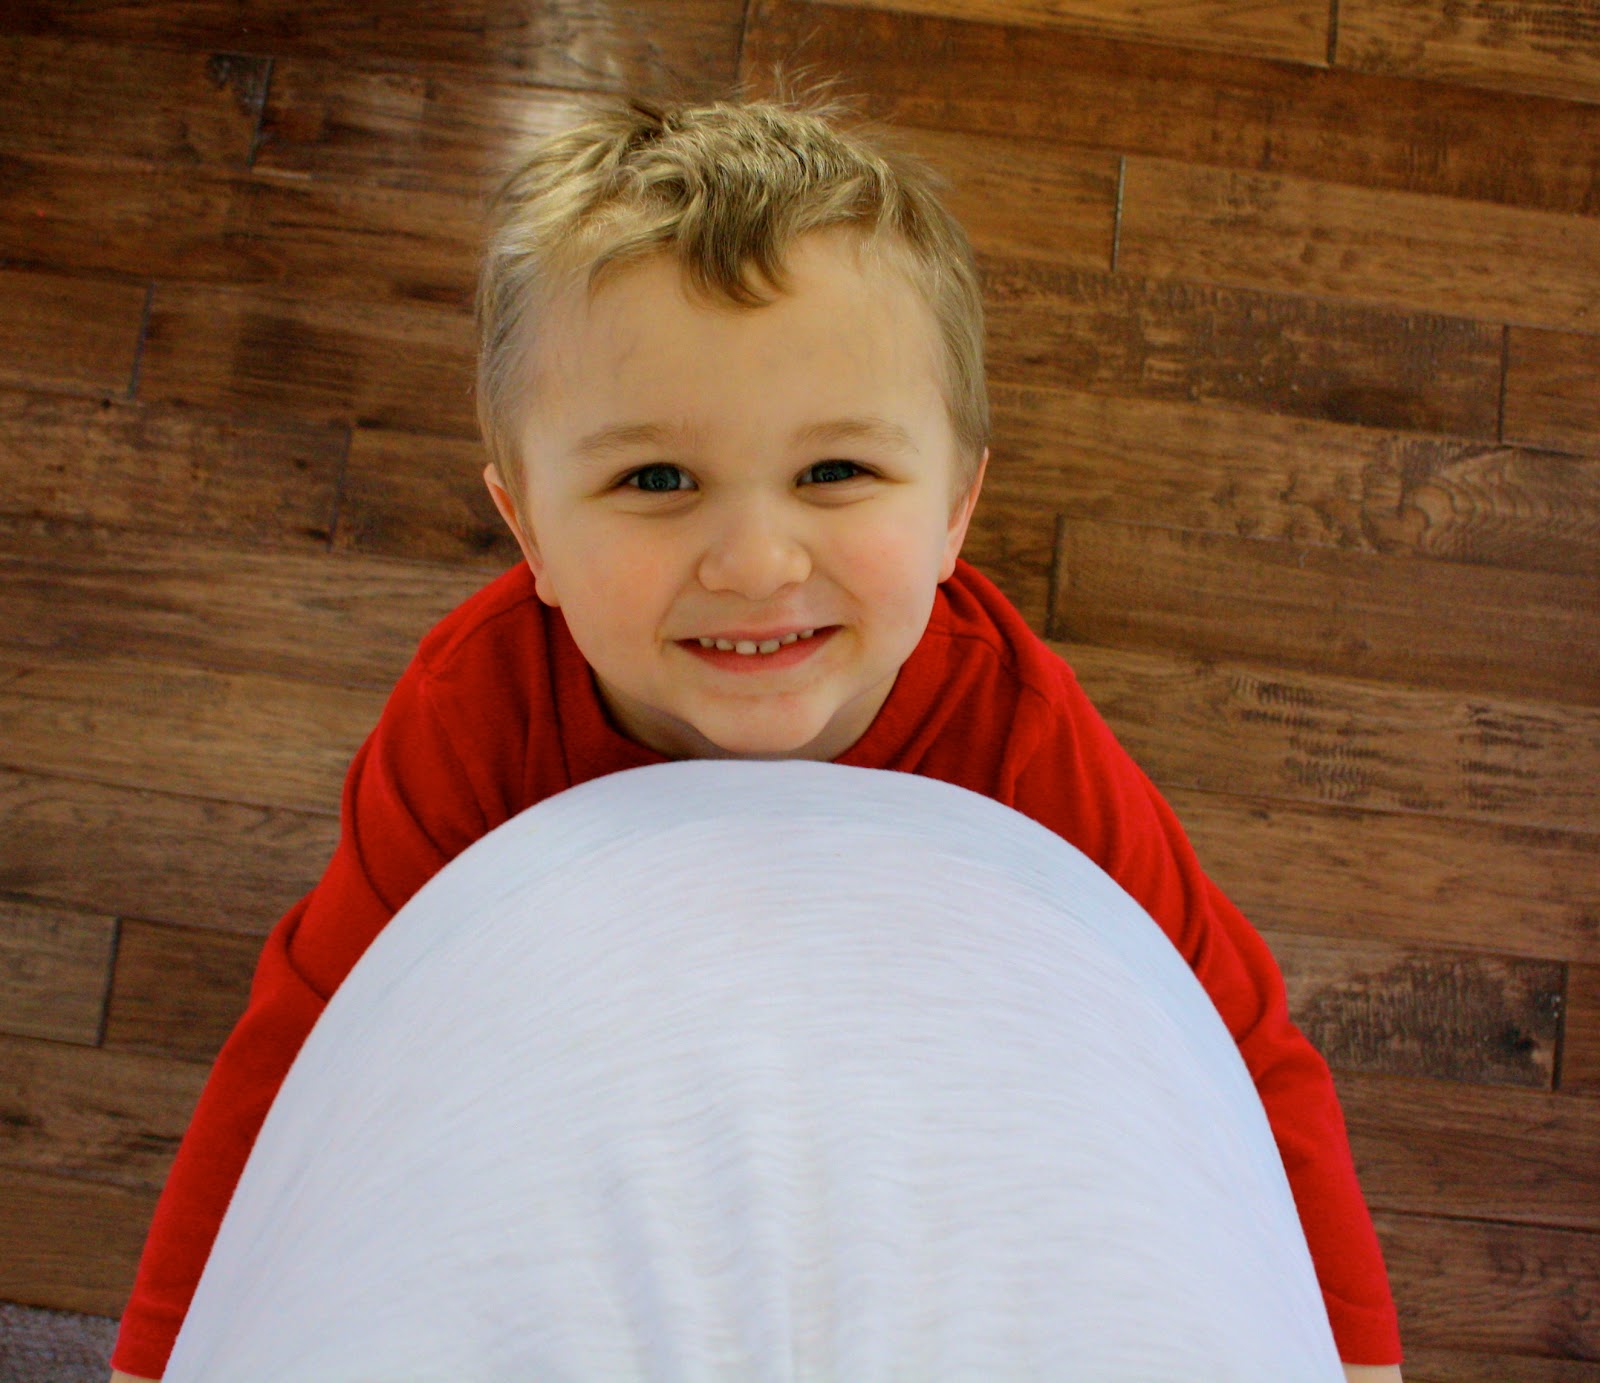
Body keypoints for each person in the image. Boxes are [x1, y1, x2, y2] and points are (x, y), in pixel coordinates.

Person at [109, 74, 1405, 1381]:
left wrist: (1356, 1362)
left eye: (835, 472)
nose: (756, 562)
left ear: (956, 512)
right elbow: (315, 1032)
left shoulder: (1011, 729)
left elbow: (1235, 1043)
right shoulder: (479, 710)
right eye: (656, 479)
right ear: (529, 529)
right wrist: (159, 1353)